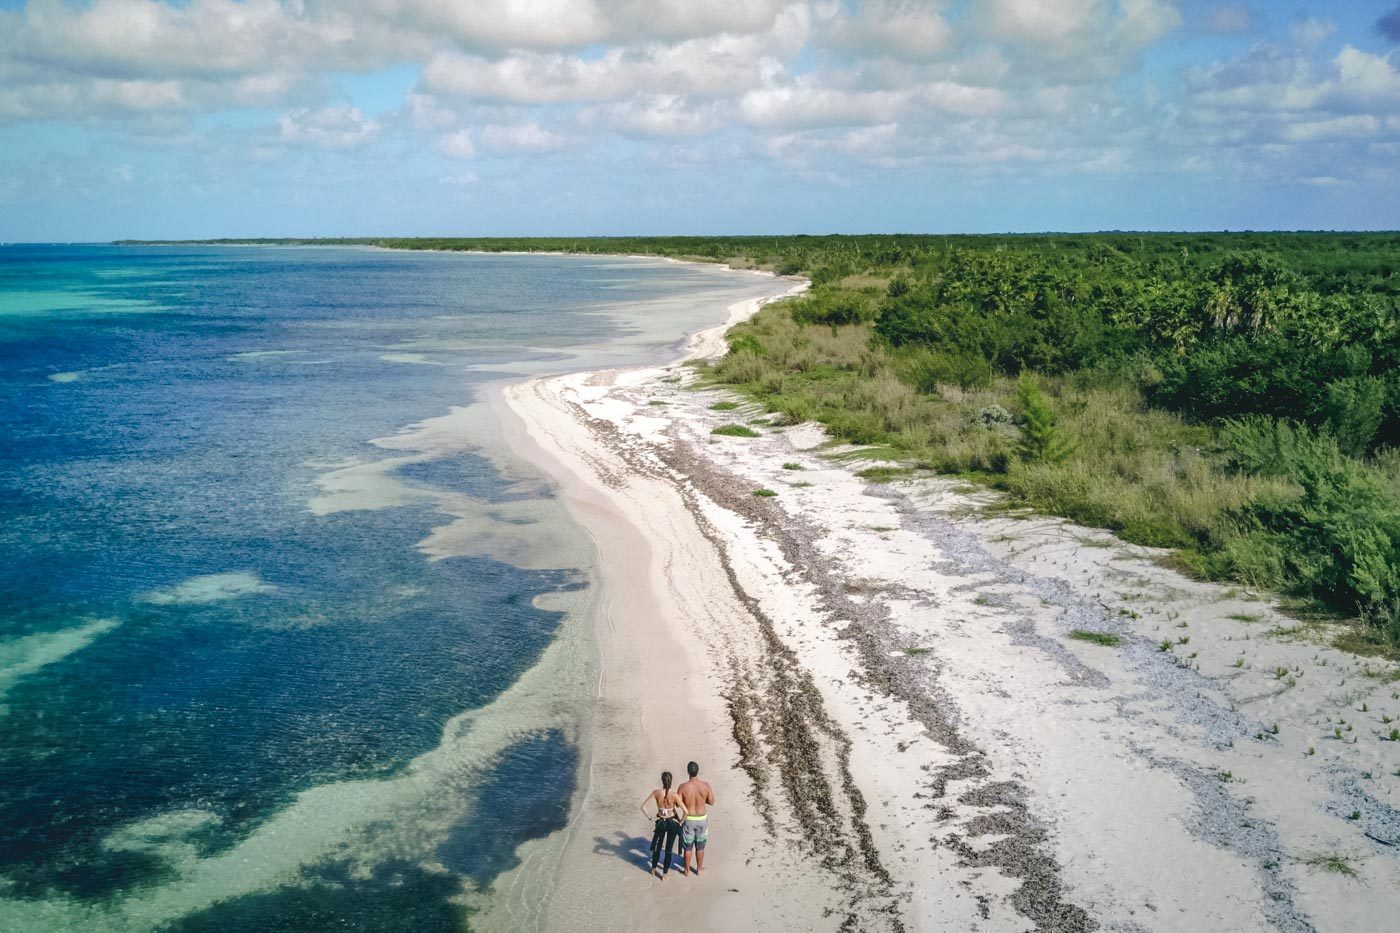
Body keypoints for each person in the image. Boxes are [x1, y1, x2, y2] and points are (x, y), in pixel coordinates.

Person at [641, 770, 686, 879]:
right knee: (668, 850)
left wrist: (650, 817)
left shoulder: (656, 793)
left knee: (657, 846)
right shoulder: (674, 795)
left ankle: (653, 869)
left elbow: (643, 807)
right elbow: (686, 811)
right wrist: (680, 821)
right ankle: (664, 874)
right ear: (671, 781)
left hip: (660, 822)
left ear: (662, 780)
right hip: (671, 823)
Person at [676, 760, 714, 876]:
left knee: (688, 847)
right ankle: (699, 869)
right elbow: (711, 802)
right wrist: (702, 800)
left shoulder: (683, 787)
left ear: (688, 771)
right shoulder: (706, 785)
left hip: (689, 819)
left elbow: (678, 804)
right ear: (698, 771)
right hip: (702, 819)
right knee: (700, 846)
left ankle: (687, 870)